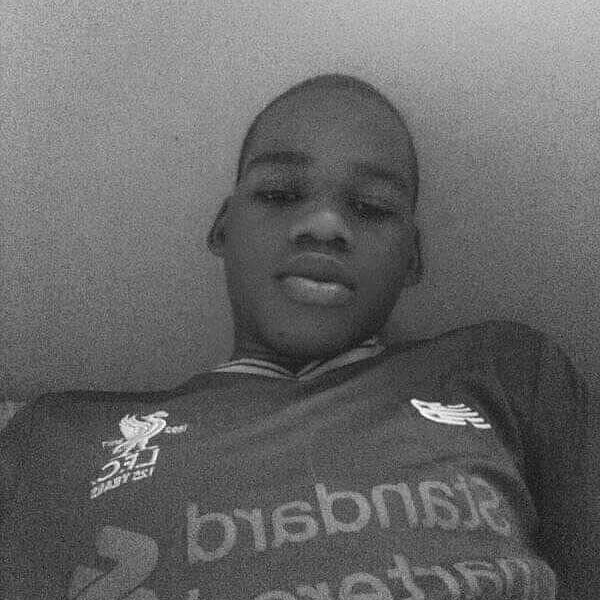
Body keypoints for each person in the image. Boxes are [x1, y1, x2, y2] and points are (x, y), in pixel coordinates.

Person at [0, 73, 593, 600]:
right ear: (223, 228)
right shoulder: (53, 436)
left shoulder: (506, 368)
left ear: (413, 257)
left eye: (372, 206)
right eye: (281, 194)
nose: (325, 225)